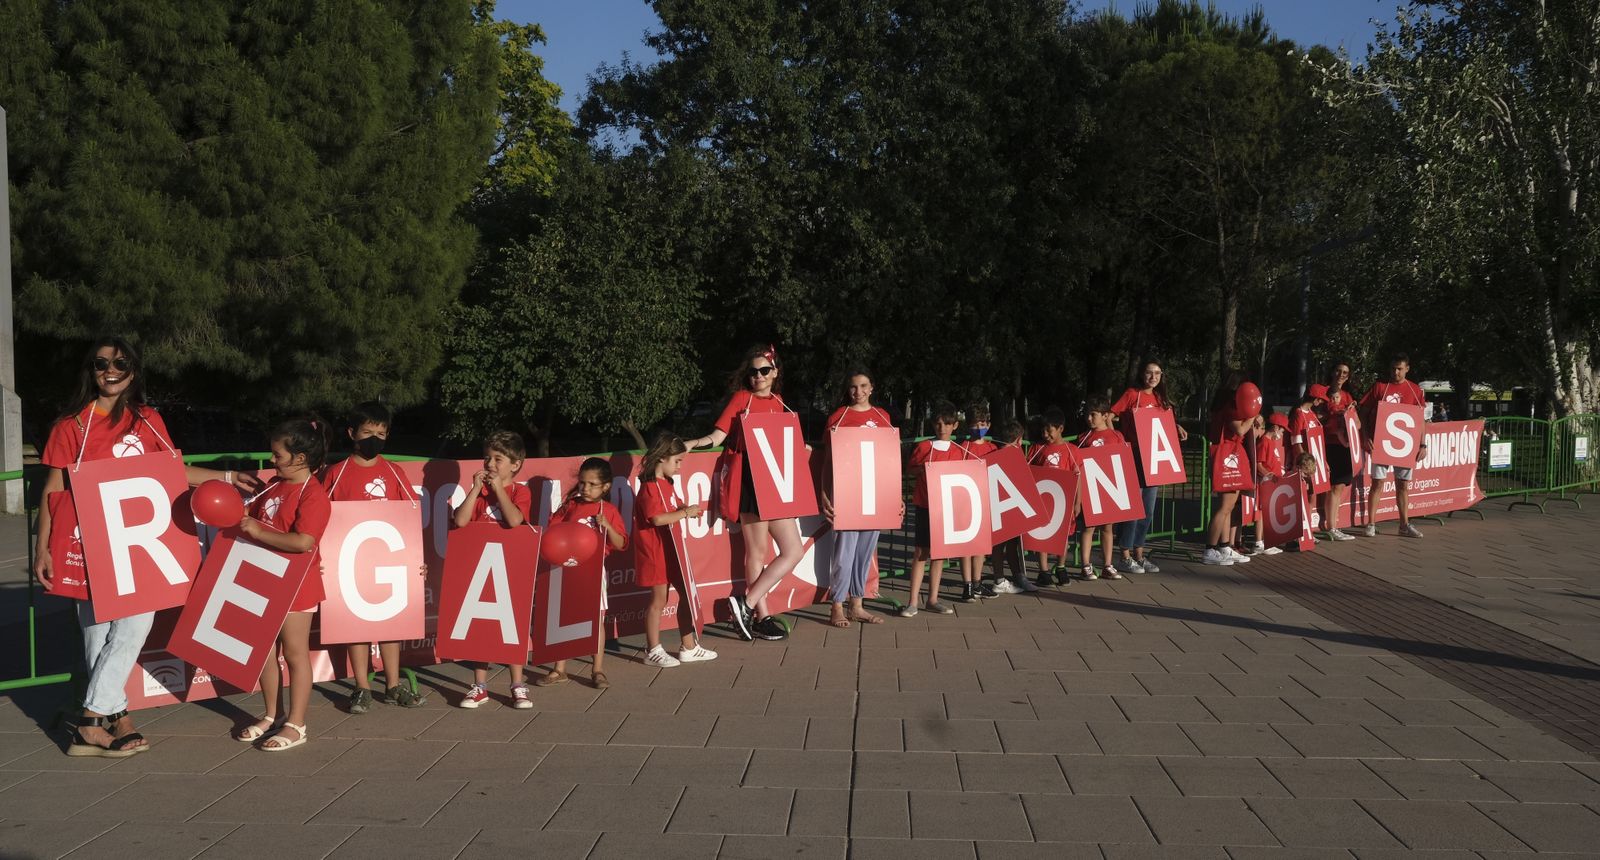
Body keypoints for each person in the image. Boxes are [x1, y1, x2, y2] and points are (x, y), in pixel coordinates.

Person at [35, 337, 262, 757]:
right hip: (89, 543)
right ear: (91, 370)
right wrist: (41, 547)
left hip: (140, 546)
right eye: (101, 363)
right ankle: (117, 717)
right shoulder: (71, 426)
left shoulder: (148, 419)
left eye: (120, 362)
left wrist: (227, 477)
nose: (110, 369)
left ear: (133, 371)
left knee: (133, 627)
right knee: (96, 635)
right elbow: (52, 488)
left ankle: (89, 720)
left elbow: (172, 468)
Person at [686, 345, 802, 642]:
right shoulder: (741, 398)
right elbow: (718, 437)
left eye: (764, 370)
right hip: (752, 480)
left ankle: (746, 604)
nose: (758, 376)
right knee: (757, 552)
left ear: (775, 373)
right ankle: (761, 616)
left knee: (793, 551)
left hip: (777, 483)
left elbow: (781, 444)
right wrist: (691, 444)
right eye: (753, 371)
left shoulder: (779, 402)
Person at [232, 416, 333, 752]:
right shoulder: (275, 486)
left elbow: (304, 541)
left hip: (297, 586)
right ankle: (271, 715)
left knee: (294, 653)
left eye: (278, 456)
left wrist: (259, 531)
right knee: (262, 652)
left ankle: (296, 723)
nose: (272, 461)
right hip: (265, 578)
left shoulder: (314, 494)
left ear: (300, 459)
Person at [321, 401, 427, 713]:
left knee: (391, 623)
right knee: (357, 624)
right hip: (350, 562)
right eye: (368, 432)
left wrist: (415, 561)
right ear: (352, 433)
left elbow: (409, 517)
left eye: (381, 433)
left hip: (388, 561)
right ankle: (361, 687)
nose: (374, 439)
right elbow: (321, 516)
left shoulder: (394, 471)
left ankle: (393, 686)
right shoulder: (336, 474)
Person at [452, 431, 534, 708]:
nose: (490, 464)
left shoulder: (520, 491)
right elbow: (461, 521)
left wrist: (498, 489)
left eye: (498, 459)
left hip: (510, 568)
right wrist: (475, 489)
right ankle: (480, 685)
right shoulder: (478, 493)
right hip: (480, 567)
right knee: (480, 628)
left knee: (512, 626)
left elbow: (514, 520)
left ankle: (517, 684)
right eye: (487, 457)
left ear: (516, 463)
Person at [539, 457, 629, 688]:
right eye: (582, 483)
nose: (585, 488)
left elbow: (620, 544)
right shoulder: (571, 506)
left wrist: (607, 526)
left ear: (606, 486)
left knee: (596, 619)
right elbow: (553, 531)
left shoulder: (607, 510)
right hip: (567, 568)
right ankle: (560, 669)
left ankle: (597, 669)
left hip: (594, 571)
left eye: (592, 484)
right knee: (564, 617)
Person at [819, 371, 895, 627]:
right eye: (853, 387)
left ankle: (857, 605)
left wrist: (895, 496)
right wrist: (824, 492)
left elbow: (888, 460)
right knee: (844, 554)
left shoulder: (882, 417)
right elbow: (828, 461)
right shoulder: (838, 417)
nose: (858, 391)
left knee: (864, 553)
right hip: (847, 495)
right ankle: (837, 606)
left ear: (872, 388)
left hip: (873, 496)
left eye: (863, 386)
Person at [635, 435, 719, 666]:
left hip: (673, 551)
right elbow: (658, 518)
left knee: (687, 596)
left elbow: (673, 505)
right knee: (658, 601)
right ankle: (652, 649)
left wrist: (684, 508)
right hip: (655, 551)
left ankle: (688, 646)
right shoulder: (650, 487)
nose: (680, 467)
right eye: (677, 461)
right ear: (662, 458)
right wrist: (685, 513)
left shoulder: (666, 484)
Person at [1111, 360, 1188, 574]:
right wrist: (1117, 439)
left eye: (1157, 373)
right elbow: (1110, 416)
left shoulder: (1161, 398)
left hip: (1154, 459)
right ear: (1142, 374)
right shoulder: (1132, 394)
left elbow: (1163, 423)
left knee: (1148, 509)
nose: (1153, 377)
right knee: (1134, 508)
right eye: (1149, 372)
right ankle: (1124, 555)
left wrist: (1177, 426)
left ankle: (1139, 554)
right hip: (1135, 455)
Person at [899, 404, 967, 617]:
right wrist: (923, 469)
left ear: (954, 425)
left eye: (946, 424)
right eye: (938, 424)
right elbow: (910, 469)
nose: (942, 428)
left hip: (946, 507)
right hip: (925, 505)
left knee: (939, 555)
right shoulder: (925, 446)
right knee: (921, 552)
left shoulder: (960, 451)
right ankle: (912, 602)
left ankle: (933, 599)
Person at [1359, 353, 1428, 538]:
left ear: (1407, 368)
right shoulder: (1380, 386)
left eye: (1399, 369)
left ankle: (1404, 524)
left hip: (1405, 446)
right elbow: (1363, 412)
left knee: (1403, 485)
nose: (1395, 372)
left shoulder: (1415, 390)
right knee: (1378, 483)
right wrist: (1365, 436)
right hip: (1382, 443)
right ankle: (1371, 523)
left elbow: (1420, 419)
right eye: (1393, 368)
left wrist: (1423, 444)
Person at [1203, 375, 1256, 566]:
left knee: (1228, 507)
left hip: (1230, 454)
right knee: (1224, 507)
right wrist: (1252, 415)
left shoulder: (1225, 405)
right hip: (1226, 454)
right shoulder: (1228, 407)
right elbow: (1240, 429)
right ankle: (1210, 549)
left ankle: (1224, 546)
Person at [1027, 408, 1080, 586]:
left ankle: (1061, 566)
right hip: (1043, 500)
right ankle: (1043, 571)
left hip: (1064, 502)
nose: (1045, 434)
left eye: (1049, 430)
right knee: (1043, 535)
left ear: (1060, 429)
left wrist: (1077, 502)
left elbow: (1078, 477)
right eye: (1043, 430)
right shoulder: (1037, 448)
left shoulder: (1071, 450)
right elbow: (1028, 472)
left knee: (1063, 536)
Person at [1075, 398, 1125, 581]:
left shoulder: (1116, 436)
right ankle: (1086, 565)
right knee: (1088, 527)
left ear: (1105, 416)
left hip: (1109, 487)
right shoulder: (1083, 438)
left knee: (1107, 528)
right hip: (1090, 488)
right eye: (1087, 415)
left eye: (1093, 415)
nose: (1089, 418)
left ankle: (1107, 565)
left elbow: (1122, 462)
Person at [985, 420, 1037, 593]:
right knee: (1005, 544)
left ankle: (1013, 577)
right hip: (1008, 505)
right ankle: (1002, 579)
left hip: (1002, 505)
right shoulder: (1015, 455)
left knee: (1005, 544)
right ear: (1019, 439)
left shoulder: (993, 454)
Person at [960, 405, 998, 600]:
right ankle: (967, 584)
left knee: (981, 546)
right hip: (967, 502)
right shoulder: (963, 448)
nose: (978, 427)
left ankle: (977, 582)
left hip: (986, 501)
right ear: (968, 426)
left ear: (988, 425)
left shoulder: (992, 448)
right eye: (974, 424)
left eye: (982, 423)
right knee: (966, 545)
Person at [1319, 362, 1360, 542]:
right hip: (1329, 444)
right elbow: (1315, 416)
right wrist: (1334, 415)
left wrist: (1348, 415)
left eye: (1345, 372)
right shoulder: (1322, 392)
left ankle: (1333, 525)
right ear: (1332, 372)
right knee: (1334, 486)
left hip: (1345, 446)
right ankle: (1331, 527)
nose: (1341, 374)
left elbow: (1357, 424)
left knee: (1339, 486)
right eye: (1338, 371)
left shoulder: (1347, 396)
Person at [1253, 413, 1289, 555]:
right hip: (1266, 482)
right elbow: (1259, 464)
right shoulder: (1264, 442)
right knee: (1261, 513)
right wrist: (1269, 475)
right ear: (1275, 428)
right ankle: (1258, 542)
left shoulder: (1271, 442)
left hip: (1272, 482)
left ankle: (1264, 540)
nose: (1281, 434)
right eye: (1281, 431)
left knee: (1267, 512)